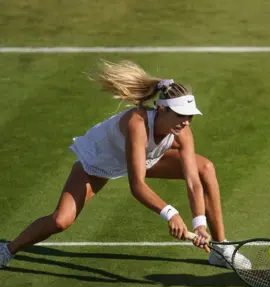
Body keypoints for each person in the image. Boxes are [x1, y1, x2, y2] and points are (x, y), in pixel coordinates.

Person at [0, 60, 245, 270]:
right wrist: (171, 213)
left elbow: (193, 180)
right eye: (181, 115)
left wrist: (199, 224)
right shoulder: (136, 123)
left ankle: (220, 249)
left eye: (190, 116)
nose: (186, 121)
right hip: (101, 161)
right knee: (60, 221)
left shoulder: (183, 133)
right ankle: (8, 250)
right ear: (161, 109)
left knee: (205, 169)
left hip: (144, 157)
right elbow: (136, 184)